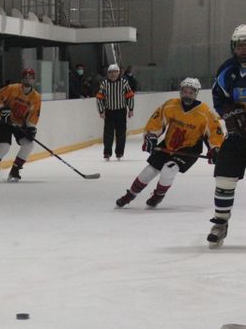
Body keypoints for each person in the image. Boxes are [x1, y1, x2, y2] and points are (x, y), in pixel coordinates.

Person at [115, 78, 223, 208]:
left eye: (191, 92)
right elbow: (157, 120)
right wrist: (151, 136)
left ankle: (158, 195)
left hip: (189, 149)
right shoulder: (171, 105)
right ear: (180, 92)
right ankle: (130, 195)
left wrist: (216, 149)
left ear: (196, 93)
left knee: (169, 169)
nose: (187, 95)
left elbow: (214, 132)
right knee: (149, 171)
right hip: (168, 144)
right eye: (184, 92)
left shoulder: (205, 113)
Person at [206, 24, 246, 248]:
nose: (242, 49)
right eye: (239, 45)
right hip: (237, 135)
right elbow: (218, 97)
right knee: (224, 178)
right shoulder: (227, 70)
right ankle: (220, 223)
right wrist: (230, 114)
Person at [0, 68, 41, 183]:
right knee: (4, 146)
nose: (28, 80)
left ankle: (15, 170)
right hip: (5, 122)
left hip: (20, 124)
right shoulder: (12, 89)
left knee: (29, 145)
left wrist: (31, 128)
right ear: (22, 78)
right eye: (26, 77)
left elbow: (34, 115)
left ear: (34, 80)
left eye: (30, 78)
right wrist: (1, 109)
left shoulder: (36, 97)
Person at [96, 63, 135, 160]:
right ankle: (107, 153)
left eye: (115, 72)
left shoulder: (124, 82)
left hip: (121, 111)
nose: (113, 74)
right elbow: (99, 98)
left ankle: (119, 152)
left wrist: (131, 109)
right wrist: (101, 111)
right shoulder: (104, 83)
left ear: (118, 73)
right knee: (108, 134)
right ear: (108, 73)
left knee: (121, 133)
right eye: (110, 72)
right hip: (109, 111)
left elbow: (130, 96)